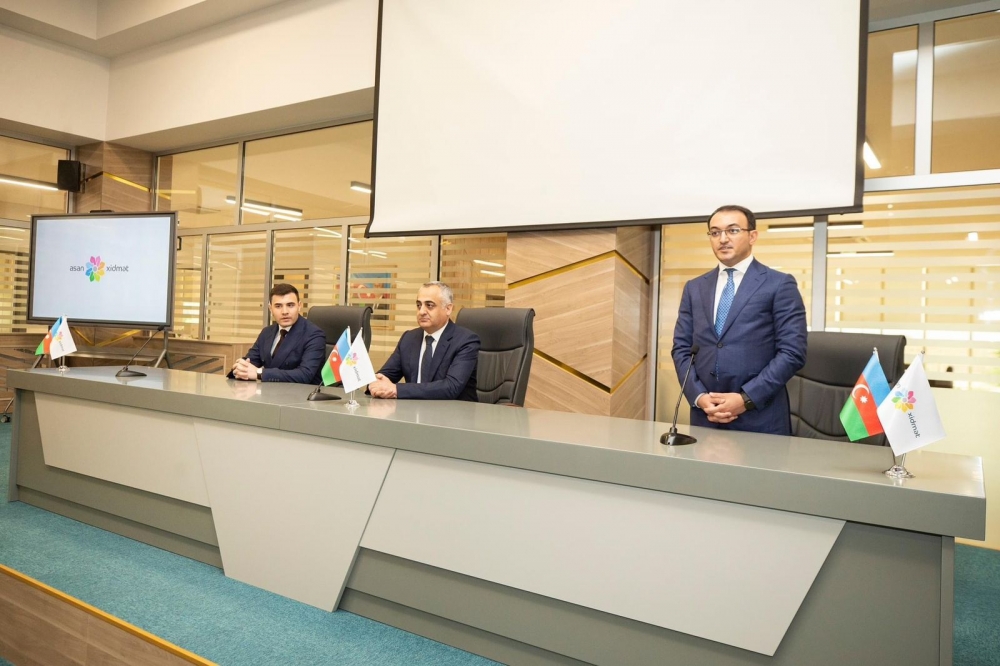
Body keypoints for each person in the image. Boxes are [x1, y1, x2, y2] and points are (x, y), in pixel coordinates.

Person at [671, 205, 807, 435]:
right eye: (715, 232)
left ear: (752, 236)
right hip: (706, 415)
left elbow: (793, 352)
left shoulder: (779, 284)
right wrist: (699, 396)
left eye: (732, 231)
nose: (723, 239)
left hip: (760, 417)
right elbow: (681, 349)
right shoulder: (694, 288)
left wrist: (746, 399)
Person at [368, 281, 480, 401]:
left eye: (429, 305)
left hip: (453, 411)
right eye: (419, 305)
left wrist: (396, 390)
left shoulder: (466, 341)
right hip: (412, 411)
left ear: (448, 309)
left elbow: (451, 387)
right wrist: (376, 383)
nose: (421, 311)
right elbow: (385, 376)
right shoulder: (409, 338)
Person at [229, 283, 326, 384]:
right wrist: (240, 368)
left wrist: (259, 373)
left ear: (299, 306)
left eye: (290, 305)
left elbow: (305, 374)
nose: (285, 311)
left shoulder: (314, 335)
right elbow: (250, 361)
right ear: (270, 309)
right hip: (268, 391)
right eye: (278, 306)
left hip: (301, 393)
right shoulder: (267, 332)